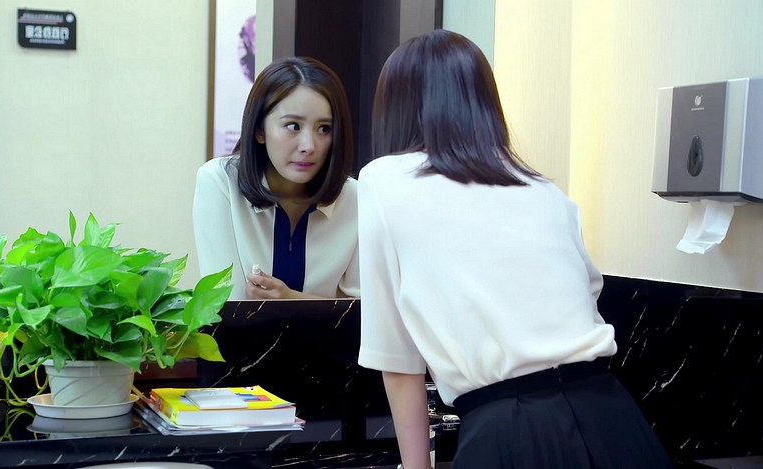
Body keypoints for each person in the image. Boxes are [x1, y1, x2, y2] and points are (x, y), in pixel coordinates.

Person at [357, 30, 671, 469]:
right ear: (484, 102)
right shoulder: (543, 188)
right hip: (615, 418)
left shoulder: (382, 181)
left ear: (394, 109)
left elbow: (397, 359)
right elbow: (588, 296)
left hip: (511, 431)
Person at [193, 56, 360, 300]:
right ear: (260, 130)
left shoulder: (356, 197)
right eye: (293, 126)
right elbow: (226, 305)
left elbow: (365, 313)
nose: (308, 146)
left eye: (324, 129)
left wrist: (290, 299)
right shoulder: (220, 182)